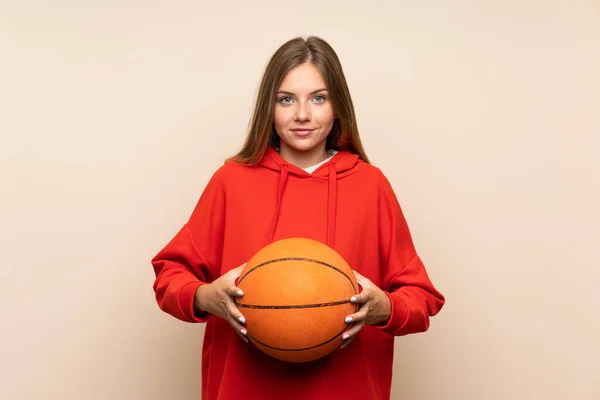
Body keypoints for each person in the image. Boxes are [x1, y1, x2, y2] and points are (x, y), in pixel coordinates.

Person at [151, 36, 445, 400]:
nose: (302, 114)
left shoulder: (371, 185)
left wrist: (385, 307)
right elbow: (170, 276)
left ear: (338, 105)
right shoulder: (231, 181)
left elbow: (421, 298)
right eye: (286, 99)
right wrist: (205, 295)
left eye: (318, 98)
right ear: (268, 107)